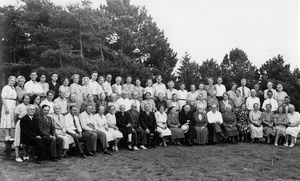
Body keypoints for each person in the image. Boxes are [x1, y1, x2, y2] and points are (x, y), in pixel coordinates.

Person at [14, 94, 31, 162]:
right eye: (25, 98)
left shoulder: (30, 106)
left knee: (25, 139)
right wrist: (16, 125)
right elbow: (15, 116)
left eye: (28, 99)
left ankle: (25, 155)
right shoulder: (19, 106)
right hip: (20, 122)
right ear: (23, 99)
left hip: (27, 124)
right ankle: (17, 156)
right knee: (18, 139)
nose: (27, 100)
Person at [1, 76, 17, 141]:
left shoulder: (13, 88)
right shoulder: (5, 87)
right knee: (7, 118)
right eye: (11, 81)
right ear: (8, 80)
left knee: (11, 119)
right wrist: (6, 107)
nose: (13, 82)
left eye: (14, 81)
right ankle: (7, 136)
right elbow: (3, 97)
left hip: (13, 104)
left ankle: (10, 135)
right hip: (7, 103)